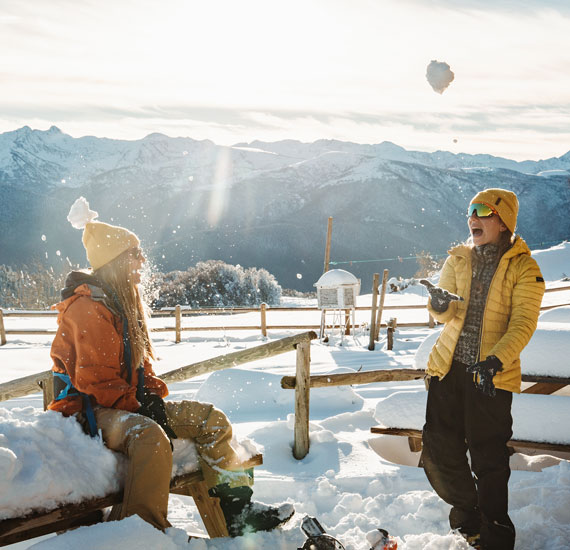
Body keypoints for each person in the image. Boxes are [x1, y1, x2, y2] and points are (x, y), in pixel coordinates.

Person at [48, 196, 294, 537]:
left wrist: (151, 395)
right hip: (88, 411)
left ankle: (238, 510)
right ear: (117, 261)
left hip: (122, 405)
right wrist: (143, 407)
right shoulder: (89, 309)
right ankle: (141, 534)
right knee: (150, 437)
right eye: (135, 254)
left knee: (211, 420)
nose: (142, 261)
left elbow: (138, 371)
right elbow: (97, 382)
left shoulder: (120, 303)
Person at [420, 188, 545, 550]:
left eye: (482, 211)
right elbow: (444, 312)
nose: (472, 218)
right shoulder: (459, 259)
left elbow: (523, 323)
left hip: (491, 374)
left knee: (488, 460)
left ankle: (495, 536)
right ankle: (468, 511)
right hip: (449, 368)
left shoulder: (524, 267)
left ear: (504, 220)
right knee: (438, 449)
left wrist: (494, 361)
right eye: (470, 211)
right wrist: (439, 304)